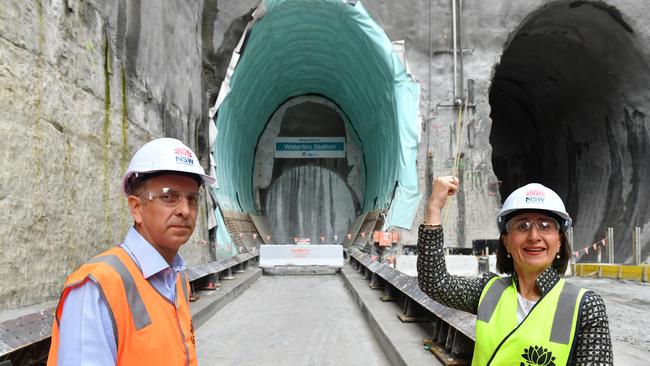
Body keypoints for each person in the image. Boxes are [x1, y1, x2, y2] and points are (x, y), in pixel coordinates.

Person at [47, 138, 214, 366]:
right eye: (168, 196)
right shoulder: (96, 288)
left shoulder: (177, 278)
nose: (185, 210)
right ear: (136, 208)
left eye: (192, 199)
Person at [418, 176, 612, 366]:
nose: (534, 236)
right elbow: (435, 283)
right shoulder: (489, 292)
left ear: (559, 242)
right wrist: (434, 208)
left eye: (545, 226)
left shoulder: (585, 307)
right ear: (507, 242)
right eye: (522, 226)